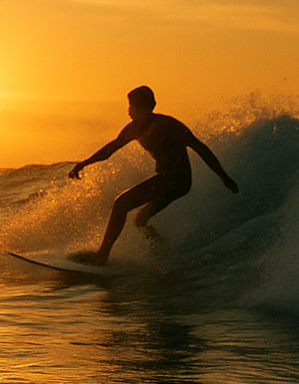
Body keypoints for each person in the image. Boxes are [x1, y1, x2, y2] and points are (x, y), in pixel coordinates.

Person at [68, 85, 238, 264]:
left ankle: (102, 256)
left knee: (121, 204)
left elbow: (200, 148)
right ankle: (163, 251)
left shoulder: (168, 124)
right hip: (172, 182)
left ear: (145, 107)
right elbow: (110, 149)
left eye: (132, 106)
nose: (129, 112)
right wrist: (83, 164)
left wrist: (223, 176)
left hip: (176, 181)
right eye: (129, 106)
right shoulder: (134, 129)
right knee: (140, 220)